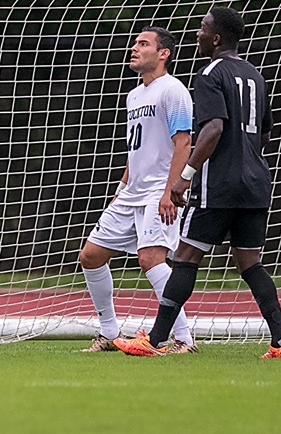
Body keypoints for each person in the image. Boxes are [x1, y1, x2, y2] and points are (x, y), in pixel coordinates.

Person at [115, 6, 281, 358]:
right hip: (256, 182)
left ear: (215, 37)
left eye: (202, 28)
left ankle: (155, 340)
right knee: (251, 263)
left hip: (220, 184)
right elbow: (265, 134)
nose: (197, 34)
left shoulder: (210, 73)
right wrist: (245, 159)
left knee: (185, 257)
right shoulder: (254, 75)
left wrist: (185, 177)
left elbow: (213, 129)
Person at [78, 27, 197, 354]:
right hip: (131, 193)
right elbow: (138, 149)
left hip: (158, 192)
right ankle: (110, 332)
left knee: (151, 259)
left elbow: (183, 142)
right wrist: (121, 187)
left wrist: (170, 191)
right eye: (135, 43)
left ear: (163, 53)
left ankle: (184, 339)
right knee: (90, 255)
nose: (134, 48)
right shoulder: (134, 95)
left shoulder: (173, 90)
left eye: (143, 44)